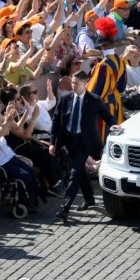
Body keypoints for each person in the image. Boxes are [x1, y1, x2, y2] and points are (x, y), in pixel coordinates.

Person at [50, 70, 120, 224]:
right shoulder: (66, 98)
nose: (73, 86)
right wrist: (52, 142)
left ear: (85, 83)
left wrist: (114, 125)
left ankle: (65, 208)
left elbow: (107, 116)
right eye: (72, 82)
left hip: (84, 142)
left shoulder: (93, 100)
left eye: (76, 83)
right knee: (80, 169)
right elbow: (56, 120)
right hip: (69, 140)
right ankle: (89, 198)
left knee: (74, 172)